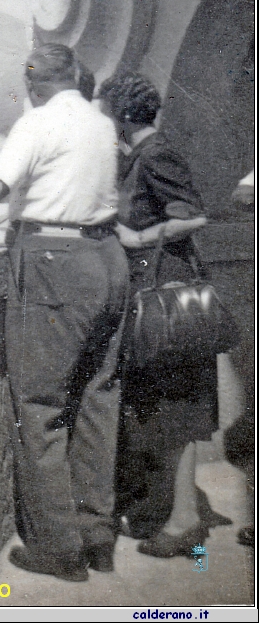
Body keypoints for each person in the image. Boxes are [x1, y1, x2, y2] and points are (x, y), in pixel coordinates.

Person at [0, 43, 129, 583]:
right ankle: (97, 535)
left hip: (52, 263)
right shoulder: (101, 123)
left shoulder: (37, 121)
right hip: (107, 259)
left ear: (32, 79)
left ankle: (59, 548)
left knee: (38, 404)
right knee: (96, 398)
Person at [97, 71, 231, 558]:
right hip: (159, 295)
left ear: (121, 114)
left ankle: (184, 522)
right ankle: (173, 513)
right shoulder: (137, 155)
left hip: (168, 296)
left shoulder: (155, 154)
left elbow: (193, 214)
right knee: (167, 407)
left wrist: (139, 238)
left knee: (179, 408)